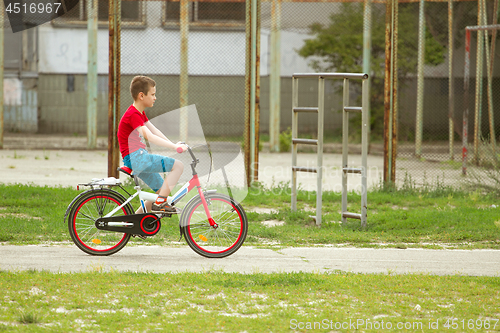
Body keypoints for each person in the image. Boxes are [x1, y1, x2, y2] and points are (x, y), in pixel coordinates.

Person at [117, 75, 187, 213]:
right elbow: (150, 137)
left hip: (136, 158)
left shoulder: (139, 113)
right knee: (178, 166)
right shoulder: (133, 115)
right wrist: (174, 147)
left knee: (162, 192)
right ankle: (161, 205)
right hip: (137, 158)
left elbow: (155, 130)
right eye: (153, 94)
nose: (155, 97)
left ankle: (133, 226)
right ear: (141, 95)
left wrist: (173, 143)